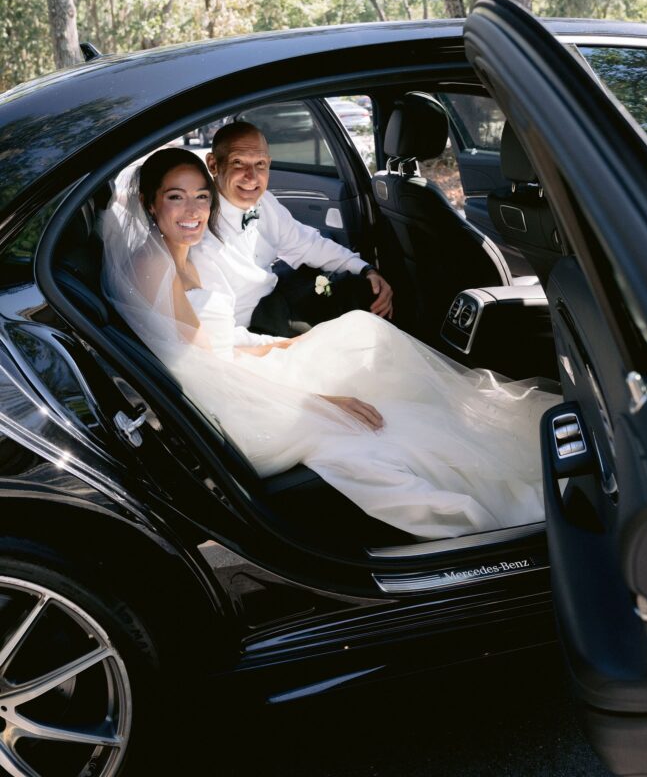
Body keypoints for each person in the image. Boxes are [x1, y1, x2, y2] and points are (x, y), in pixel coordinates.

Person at [102, 148, 560, 543]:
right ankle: (485, 509)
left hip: (233, 380)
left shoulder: (180, 255)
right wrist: (317, 401)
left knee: (360, 332)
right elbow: (201, 371)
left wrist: (283, 346)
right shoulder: (153, 267)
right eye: (175, 197)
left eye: (201, 196)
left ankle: (480, 440)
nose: (193, 210)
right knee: (375, 424)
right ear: (150, 203)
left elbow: (215, 346)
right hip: (230, 410)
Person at [194, 121, 393, 337]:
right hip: (249, 334)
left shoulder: (265, 203)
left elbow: (308, 245)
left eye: (260, 164)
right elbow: (214, 329)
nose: (251, 177)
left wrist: (365, 270)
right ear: (213, 165)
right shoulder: (197, 232)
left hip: (277, 310)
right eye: (238, 163)